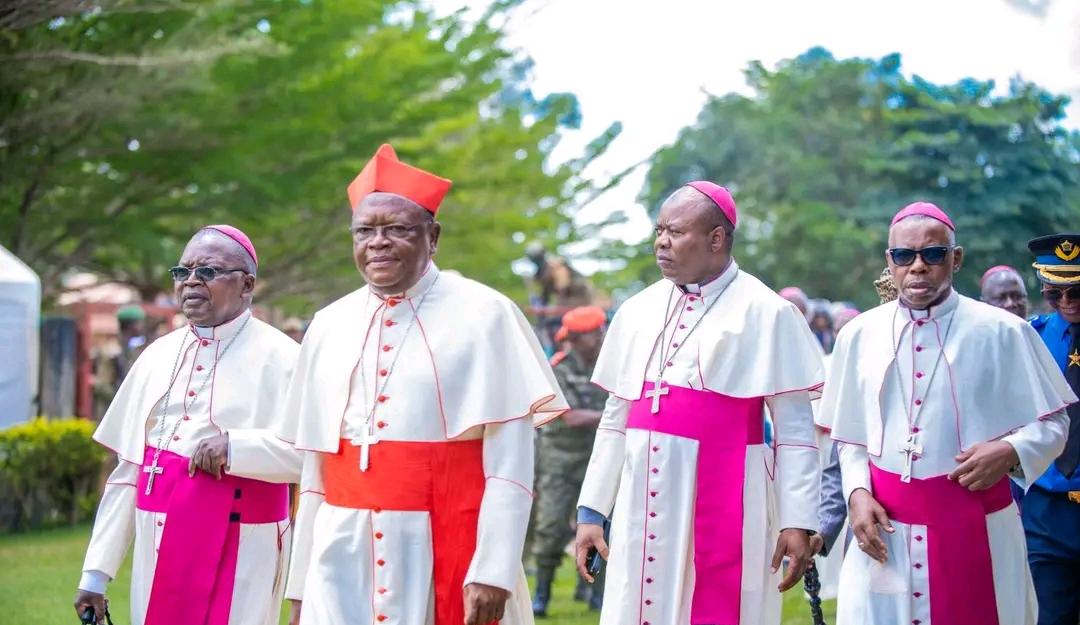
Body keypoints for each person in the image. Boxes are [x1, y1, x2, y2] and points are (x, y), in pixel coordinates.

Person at [279, 144, 568, 625]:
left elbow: (510, 462)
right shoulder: (329, 323)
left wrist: (493, 569)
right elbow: (315, 472)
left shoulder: (486, 314)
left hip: (445, 537)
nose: (378, 242)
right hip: (343, 551)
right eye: (365, 231)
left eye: (396, 229)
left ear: (432, 236)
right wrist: (300, 581)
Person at [574, 181, 824, 625]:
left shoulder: (767, 313)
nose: (661, 243)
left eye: (675, 232)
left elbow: (796, 434)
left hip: (729, 491)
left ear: (716, 238)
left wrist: (798, 520)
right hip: (640, 498)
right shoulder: (637, 310)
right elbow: (615, 419)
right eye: (659, 230)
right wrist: (593, 510)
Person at [818, 202, 1074, 625]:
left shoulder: (1003, 331)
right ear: (890, 261)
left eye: (932, 254)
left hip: (979, 528)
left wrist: (1011, 449)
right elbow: (850, 438)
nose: (918, 266)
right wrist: (857, 494)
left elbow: (1054, 423)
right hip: (887, 530)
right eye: (904, 256)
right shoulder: (858, 335)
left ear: (955, 259)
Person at [73, 225, 302, 625]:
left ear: (247, 284)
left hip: (244, 539)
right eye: (182, 272)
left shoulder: (284, 357)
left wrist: (238, 449)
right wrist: (96, 573)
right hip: (157, 536)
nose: (191, 282)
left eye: (208, 272)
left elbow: (314, 457)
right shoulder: (156, 356)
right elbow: (128, 471)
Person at [531, 305, 608, 616]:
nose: (601, 338)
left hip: (598, 461)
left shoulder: (610, 365)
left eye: (601, 332)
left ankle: (595, 591)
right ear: (577, 338)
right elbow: (570, 415)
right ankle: (542, 594)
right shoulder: (558, 368)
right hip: (560, 463)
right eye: (594, 334)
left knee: (602, 527)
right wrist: (612, 418)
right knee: (550, 528)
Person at [1023, 234, 1080, 625]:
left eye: (1077, 292)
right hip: (1046, 514)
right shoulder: (1032, 338)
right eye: (1054, 294)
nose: (1066, 303)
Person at [92, 305, 148, 419]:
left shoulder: (132, 349)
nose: (142, 327)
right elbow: (102, 385)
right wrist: (122, 400)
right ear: (131, 325)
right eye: (139, 323)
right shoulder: (112, 351)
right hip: (112, 412)